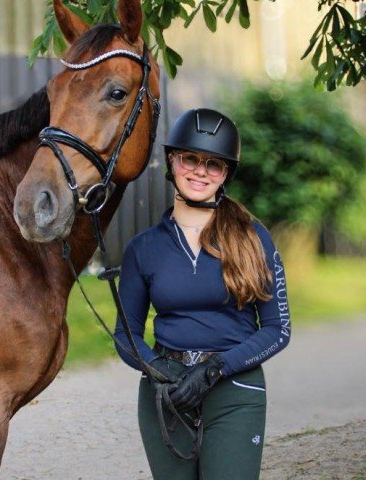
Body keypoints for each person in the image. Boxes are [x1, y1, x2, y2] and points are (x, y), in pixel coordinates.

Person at [114, 108, 291, 480]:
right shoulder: (142, 248)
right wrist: (158, 371)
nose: (200, 171)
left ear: (226, 173)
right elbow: (126, 333)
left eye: (214, 164)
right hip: (167, 393)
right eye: (190, 159)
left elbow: (277, 329)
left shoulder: (254, 238)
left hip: (234, 388)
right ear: (172, 161)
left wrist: (215, 369)